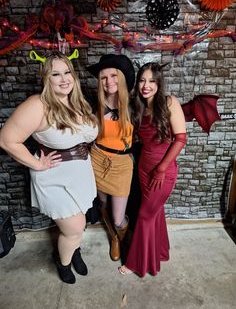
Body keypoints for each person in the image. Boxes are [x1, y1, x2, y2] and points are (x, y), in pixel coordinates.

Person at [0, 50, 98, 284]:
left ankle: (73, 250)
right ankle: (62, 262)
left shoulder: (77, 101)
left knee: (78, 222)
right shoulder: (38, 105)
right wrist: (37, 163)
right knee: (75, 227)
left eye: (67, 73)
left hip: (81, 172)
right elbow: (6, 139)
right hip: (55, 176)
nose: (64, 79)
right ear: (47, 78)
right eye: (56, 74)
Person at [118, 62, 187, 276]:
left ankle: (135, 263)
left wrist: (162, 168)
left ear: (159, 83)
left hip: (163, 170)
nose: (146, 85)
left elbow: (181, 139)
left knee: (145, 214)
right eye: (142, 80)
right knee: (155, 213)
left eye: (151, 81)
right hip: (144, 167)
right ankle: (160, 252)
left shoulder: (169, 103)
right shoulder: (138, 106)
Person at [87, 54, 135, 261]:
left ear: (122, 77)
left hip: (121, 165)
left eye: (113, 75)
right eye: (103, 77)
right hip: (97, 159)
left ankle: (127, 242)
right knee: (103, 205)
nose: (109, 82)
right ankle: (114, 239)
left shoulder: (135, 105)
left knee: (118, 217)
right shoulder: (93, 104)